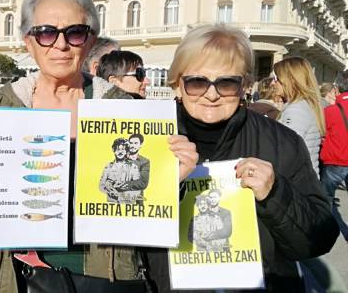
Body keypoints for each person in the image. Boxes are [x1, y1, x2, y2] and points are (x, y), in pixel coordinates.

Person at [0, 0, 198, 293]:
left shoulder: (124, 109)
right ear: (28, 42)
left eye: (75, 32)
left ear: (90, 40)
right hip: (15, 279)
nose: (60, 44)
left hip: (105, 278)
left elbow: (152, 210)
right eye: (45, 32)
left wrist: (171, 179)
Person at [144, 24, 338, 292]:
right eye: (197, 81)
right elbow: (117, 236)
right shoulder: (147, 138)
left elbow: (318, 239)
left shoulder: (281, 142)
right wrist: (162, 187)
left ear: (245, 85)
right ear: (178, 83)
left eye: (226, 82)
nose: (211, 94)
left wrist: (275, 194)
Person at [273, 57, 326, 178]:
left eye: (276, 79)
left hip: (297, 183)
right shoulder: (305, 105)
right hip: (305, 179)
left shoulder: (297, 110)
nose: (273, 83)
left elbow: (285, 151)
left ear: (290, 80)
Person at [320, 70, 348, 241]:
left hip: (334, 161)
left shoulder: (330, 111)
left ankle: (325, 232)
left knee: (326, 198)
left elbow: (322, 133)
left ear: (338, 89)